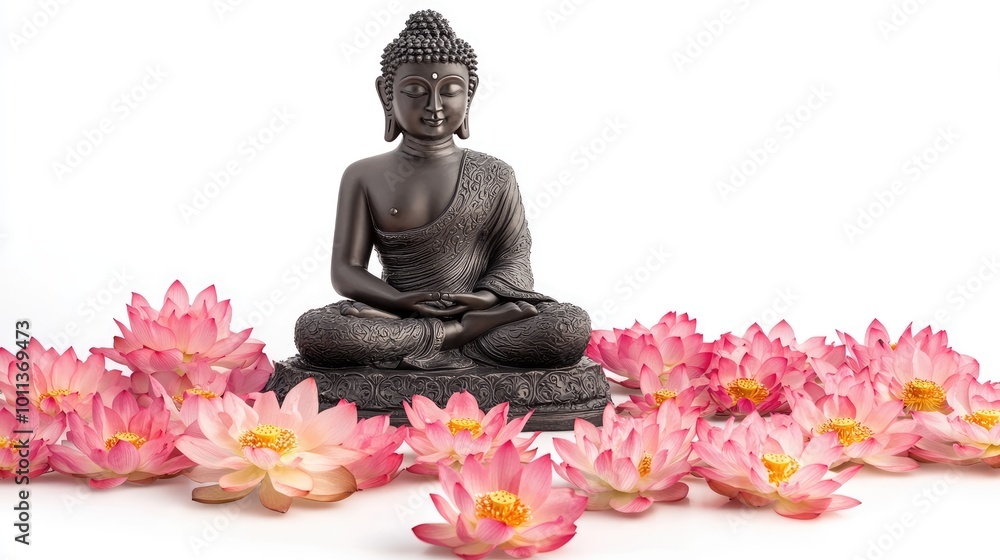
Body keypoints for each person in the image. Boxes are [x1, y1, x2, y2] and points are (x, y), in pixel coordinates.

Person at [293, 10, 590, 370]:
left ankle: (439, 336)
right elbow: (346, 271)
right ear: (387, 94)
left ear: (470, 93)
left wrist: (483, 298)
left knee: (567, 327)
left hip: (480, 314)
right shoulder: (363, 174)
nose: (434, 106)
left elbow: (515, 258)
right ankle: (455, 335)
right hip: (396, 312)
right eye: (415, 91)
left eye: (449, 90)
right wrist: (402, 302)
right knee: (319, 333)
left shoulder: (495, 174)